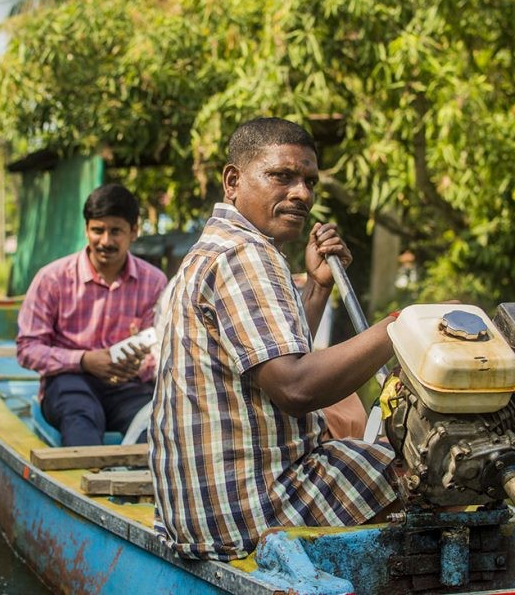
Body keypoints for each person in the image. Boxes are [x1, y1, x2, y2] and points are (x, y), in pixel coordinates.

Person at [149, 117, 399, 561]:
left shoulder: (219, 246)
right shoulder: (245, 254)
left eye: (309, 182)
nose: (302, 194)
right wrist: (401, 325)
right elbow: (295, 388)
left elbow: (275, 353)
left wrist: (318, 287)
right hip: (250, 512)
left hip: (205, 511)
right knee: (427, 469)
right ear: (233, 181)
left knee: (368, 438)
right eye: (282, 176)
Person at [17, 183, 167, 446]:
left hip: (129, 387)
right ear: (86, 229)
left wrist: (139, 366)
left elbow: (160, 348)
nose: (105, 241)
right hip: (68, 383)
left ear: (134, 231)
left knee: (157, 426)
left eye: (116, 231)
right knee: (80, 420)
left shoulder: (154, 282)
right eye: (98, 230)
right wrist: (84, 360)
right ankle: (83, 473)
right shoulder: (52, 279)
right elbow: (27, 349)